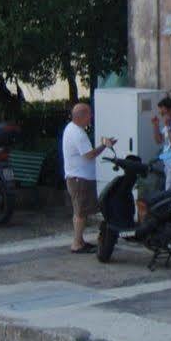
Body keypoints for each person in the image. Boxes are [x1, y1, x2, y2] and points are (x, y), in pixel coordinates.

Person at [62, 100, 115, 253]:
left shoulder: (70, 129)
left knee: (79, 210)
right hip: (80, 178)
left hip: (75, 177)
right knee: (81, 212)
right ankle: (77, 244)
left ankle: (79, 240)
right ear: (81, 116)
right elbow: (89, 155)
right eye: (89, 114)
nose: (91, 117)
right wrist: (105, 145)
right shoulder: (78, 133)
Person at [136, 95, 171, 226]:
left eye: (163, 112)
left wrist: (169, 127)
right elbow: (159, 140)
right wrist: (155, 126)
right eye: (160, 113)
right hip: (167, 162)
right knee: (168, 191)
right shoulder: (167, 124)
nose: (162, 115)